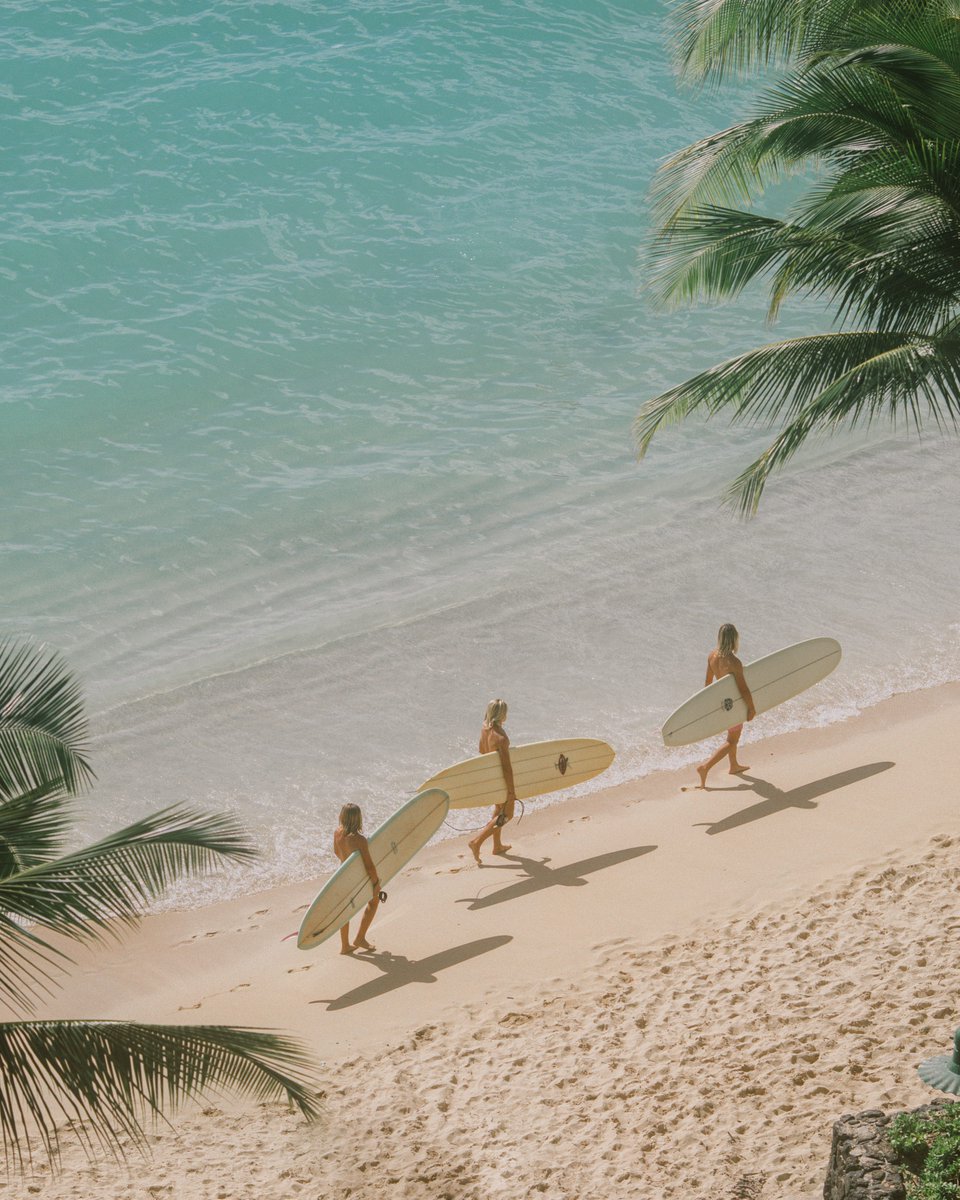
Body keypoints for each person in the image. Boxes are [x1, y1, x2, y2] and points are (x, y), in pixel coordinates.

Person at [695, 623, 756, 789]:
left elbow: (708, 683)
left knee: (732, 735)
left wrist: (712, 706)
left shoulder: (712, 656)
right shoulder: (734, 662)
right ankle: (705, 767)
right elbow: (743, 689)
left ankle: (734, 765)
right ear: (734, 639)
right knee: (732, 740)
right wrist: (751, 708)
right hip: (734, 704)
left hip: (722, 704)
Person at [468, 698, 518, 866]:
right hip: (502, 779)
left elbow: (482, 751)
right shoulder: (500, 737)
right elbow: (506, 767)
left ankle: (497, 846)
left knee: (498, 810)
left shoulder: (485, 729)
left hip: (492, 778)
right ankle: (477, 841)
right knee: (507, 814)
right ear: (502, 714)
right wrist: (511, 791)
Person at [333, 803, 381, 954]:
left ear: (342, 816)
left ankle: (345, 946)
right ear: (358, 819)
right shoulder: (359, 840)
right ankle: (360, 937)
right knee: (373, 902)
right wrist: (376, 883)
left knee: (345, 911)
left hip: (342, 874)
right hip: (357, 878)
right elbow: (369, 866)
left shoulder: (337, 833)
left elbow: (336, 852)